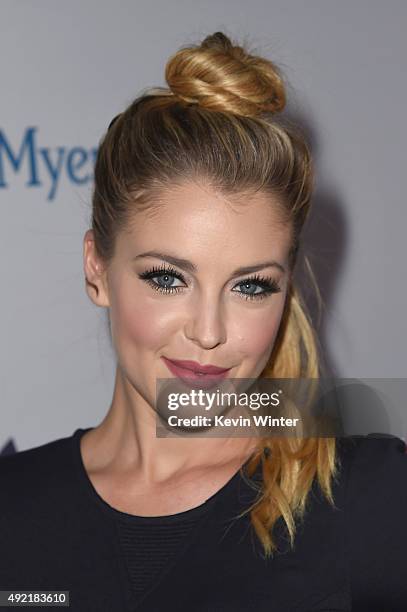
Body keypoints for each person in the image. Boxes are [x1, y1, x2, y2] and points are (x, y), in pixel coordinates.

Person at [1, 31, 406, 612]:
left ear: (286, 289)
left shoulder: (370, 499)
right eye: (168, 278)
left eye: (250, 286)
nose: (209, 331)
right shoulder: (11, 509)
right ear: (97, 268)